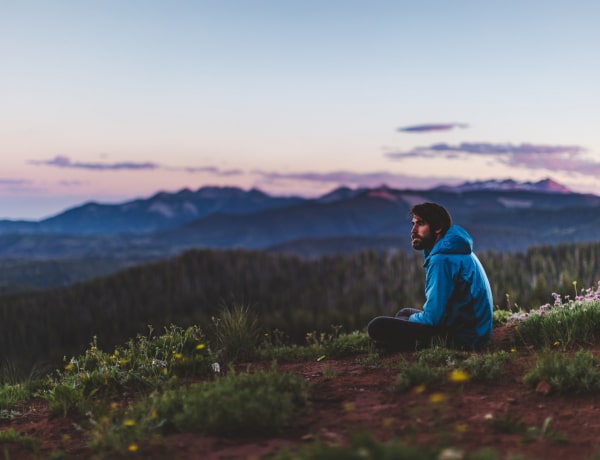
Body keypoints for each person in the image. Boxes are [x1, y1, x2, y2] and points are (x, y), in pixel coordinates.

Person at [367, 202, 493, 351]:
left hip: (464, 339)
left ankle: (398, 346)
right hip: (473, 330)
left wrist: (413, 321)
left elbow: (432, 319)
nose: (413, 230)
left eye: (420, 224)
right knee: (404, 313)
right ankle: (397, 343)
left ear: (438, 228)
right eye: (413, 224)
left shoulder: (442, 259)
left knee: (377, 325)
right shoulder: (454, 248)